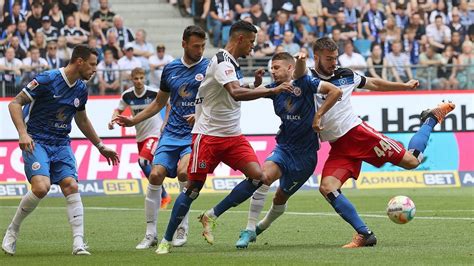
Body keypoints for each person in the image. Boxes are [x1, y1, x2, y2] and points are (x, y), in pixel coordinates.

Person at [295, 37, 455, 248]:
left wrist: (403, 86)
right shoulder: (308, 76)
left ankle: (431, 119)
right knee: (327, 187)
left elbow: (373, 83)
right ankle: (365, 234)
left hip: (359, 135)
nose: (334, 63)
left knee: (412, 161)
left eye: (335, 58)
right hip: (339, 146)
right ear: (316, 57)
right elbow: (297, 74)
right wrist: (299, 60)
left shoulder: (345, 75)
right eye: (329, 59)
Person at [153, 20, 293, 255]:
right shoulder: (221, 60)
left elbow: (220, 91)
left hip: (232, 136)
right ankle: (166, 240)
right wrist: (271, 89)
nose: (253, 47)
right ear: (239, 39)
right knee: (193, 189)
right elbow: (235, 93)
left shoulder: (232, 63)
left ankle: (211, 215)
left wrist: (253, 84)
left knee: (259, 178)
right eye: (250, 42)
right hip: (208, 137)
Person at [2, 44, 120, 256]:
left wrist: (100, 145)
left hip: (61, 143)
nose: (95, 70)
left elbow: (82, 119)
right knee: (41, 187)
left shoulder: (81, 89)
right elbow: (14, 103)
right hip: (36, 141)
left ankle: (78, 244)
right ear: (79, 61)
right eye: (92, 65)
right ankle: (13, 230)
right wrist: (22, 133)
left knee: (71, 185)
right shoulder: (47, 80)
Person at [113, 25, 210, 250]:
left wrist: (200, 114)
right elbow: (158, 103)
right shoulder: (170, 69)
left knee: (185, 173)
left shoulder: (209, 67)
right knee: (155, 175)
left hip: (192, 135)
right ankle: (150, 234)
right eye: (196, 46)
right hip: (170, 134)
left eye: (203, 46)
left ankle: (182, 228)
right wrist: (132, 121)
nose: (200, 50)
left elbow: (219, 99)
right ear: (184, 43)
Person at [235, 51, 342, 248]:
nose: (273, 72)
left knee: (280, 197)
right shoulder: (275, 88)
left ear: (289, 68)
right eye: (271, 69)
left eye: (276, 68)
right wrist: (250, 86)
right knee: (263, 177)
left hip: (306, 157)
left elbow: (335, 91)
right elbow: (247, 93)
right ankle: (249, 229)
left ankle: (260, 227)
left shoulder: (307, 83)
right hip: (284, 147)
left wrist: (318, 115)